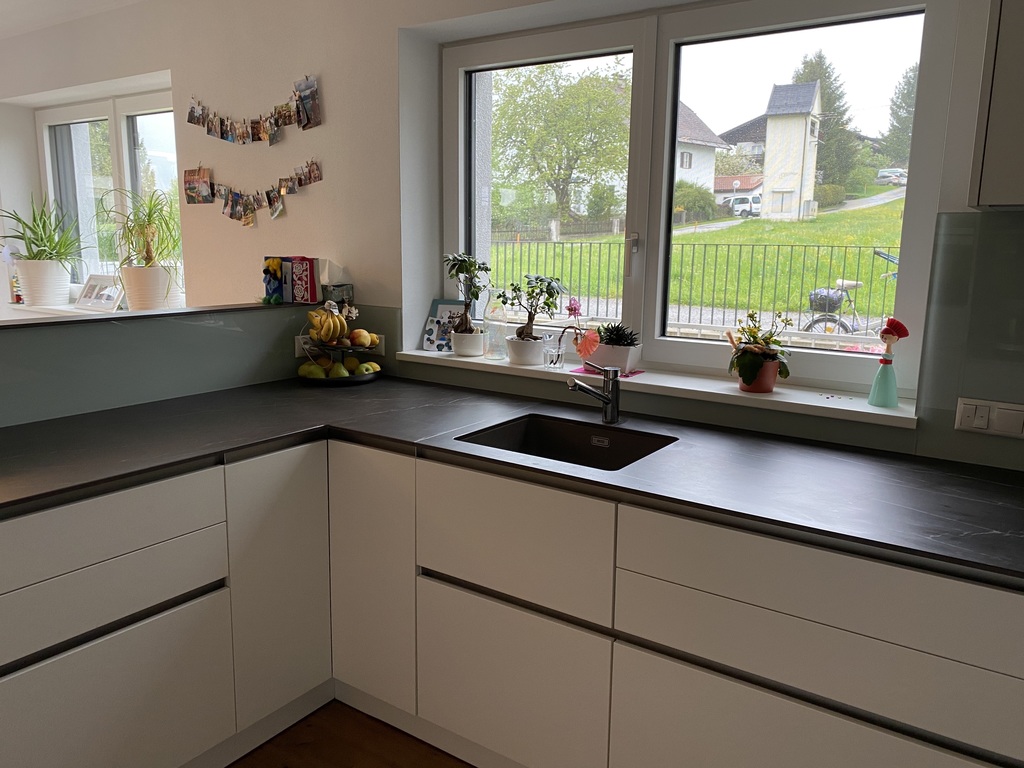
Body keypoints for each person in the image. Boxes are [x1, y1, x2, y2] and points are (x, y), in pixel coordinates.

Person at [867, 317, 909, 407]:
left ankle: (884, 400)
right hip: (885, 368)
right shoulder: (887, 351)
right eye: (882, 336)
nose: (883, 338)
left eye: (885, 337)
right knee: (882, 383)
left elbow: (888, 354)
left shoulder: (889, 353)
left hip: (887, 369)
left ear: (895, 338)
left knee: (887, 384)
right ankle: (878, 399)